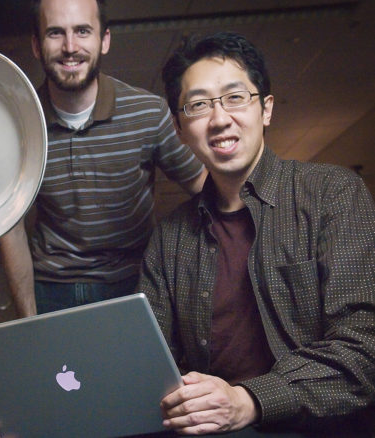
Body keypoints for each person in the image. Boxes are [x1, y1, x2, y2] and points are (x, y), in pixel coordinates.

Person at [137, 32, 375, 435]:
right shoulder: (169, 239)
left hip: (320, 427)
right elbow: (152, 365)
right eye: (198, 105)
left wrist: (249, 400)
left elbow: (363, 345)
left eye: (235, 97)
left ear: (265, 109)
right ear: (179, 129)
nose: (219, 119)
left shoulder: (332, 194)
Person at [0, 0, 206, 317]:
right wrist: (29, 321)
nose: (70, 46)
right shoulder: (16, 127)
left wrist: (182, 267)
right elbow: (11, 230)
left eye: (82, 31)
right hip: (52, 289)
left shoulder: (149, 113)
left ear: (104, 39)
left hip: (136, 284)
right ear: (36, 45)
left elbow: (208, 190)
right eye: (55, 33)